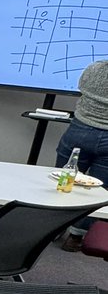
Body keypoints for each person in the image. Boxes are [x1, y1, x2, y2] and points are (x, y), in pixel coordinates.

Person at [55, 60, 108, 250]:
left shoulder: (95, 68)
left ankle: (50, 228)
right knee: (97, 191)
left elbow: (81, 87)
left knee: (62, 182)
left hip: (79, 130)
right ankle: (76, 237)